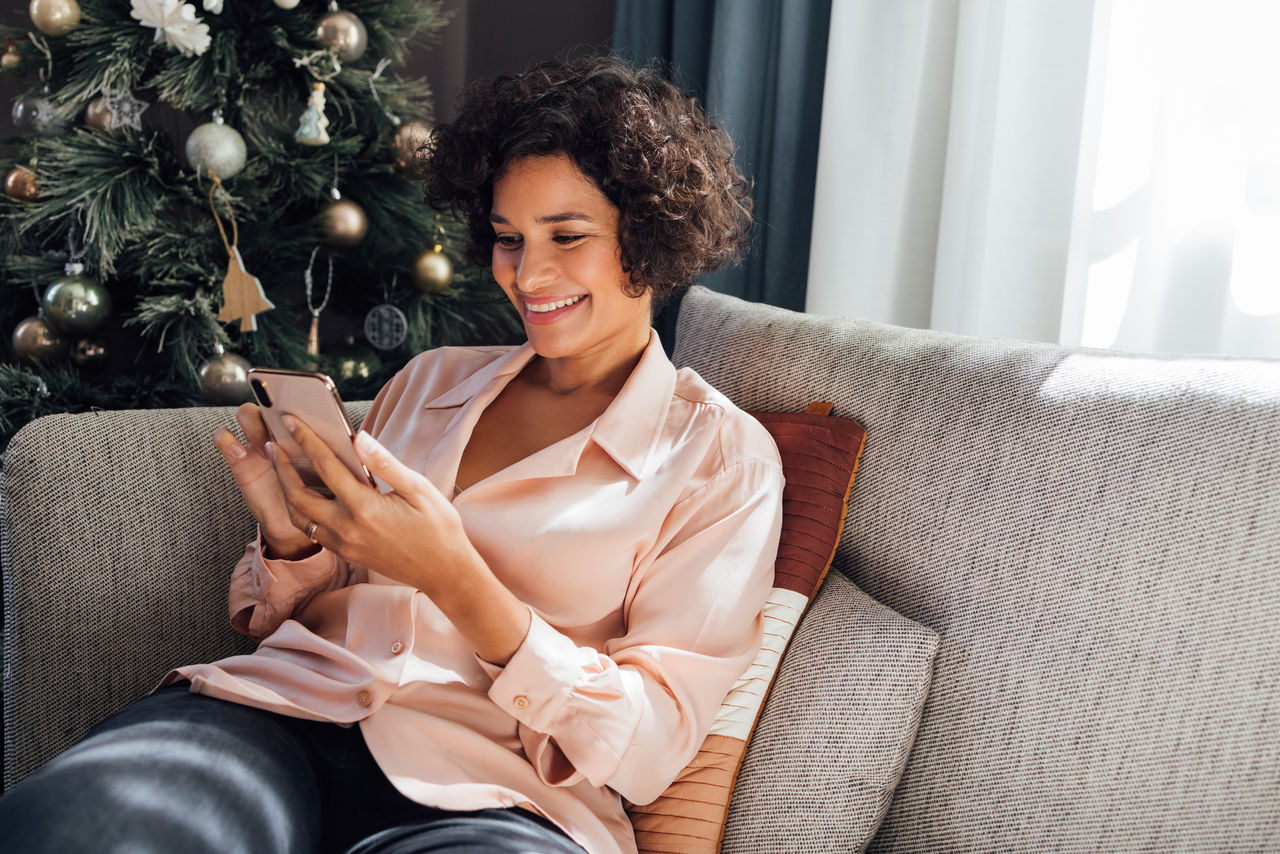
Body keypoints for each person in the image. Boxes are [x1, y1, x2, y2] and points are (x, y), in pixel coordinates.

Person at [0, 54, 783, 854]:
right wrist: (296, 542)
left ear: (648, 240)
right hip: (280, 720)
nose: (528, 273)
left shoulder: (721, 459)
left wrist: (456, 578)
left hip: (496, 796)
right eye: (508, 238)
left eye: (568, 236)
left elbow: (652, 746)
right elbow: (303, 608)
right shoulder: (431, 383)